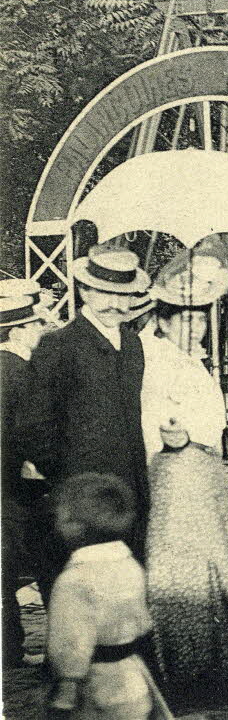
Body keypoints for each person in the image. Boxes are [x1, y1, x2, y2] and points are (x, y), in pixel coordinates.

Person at [139, 249, 228, 706]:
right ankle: (187, 673)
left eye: (200, 319)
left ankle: (215, 668)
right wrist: (173, 429)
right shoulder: (158, 359)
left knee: (212, 567)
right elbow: (154, 415)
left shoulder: (194, 359)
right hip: (177, 476)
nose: (195, 327)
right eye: (183, 319)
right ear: (163, 321)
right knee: (183, 572)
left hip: (203, 476)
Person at [23, 245, 152, 561]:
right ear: (83, 290)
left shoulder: (133, 345)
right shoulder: (59, 346)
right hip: (82, 501)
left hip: (130, 495)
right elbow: (33, 426)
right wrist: (67, 478)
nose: (115, 305)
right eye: (105, 293)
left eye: (124, 295)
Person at [45, 473, 169, 720]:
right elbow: (143, 623)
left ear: (73, 523)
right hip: (134, 678)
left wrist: (64, 694)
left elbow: (71, 643)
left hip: (95, 691)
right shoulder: (131, 566)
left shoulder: (74, 580)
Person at [1, 280, 54, 667]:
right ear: (18, 330)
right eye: (36, 325)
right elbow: (27, 436)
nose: (41, 331)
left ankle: (12, 649)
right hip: (17, 489)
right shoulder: (20, 372)